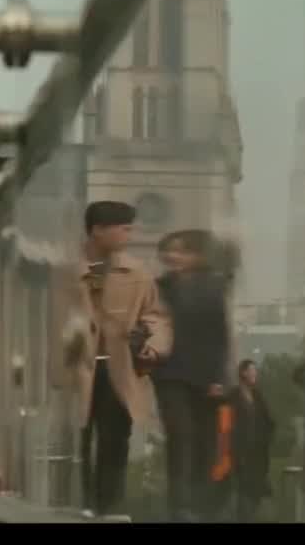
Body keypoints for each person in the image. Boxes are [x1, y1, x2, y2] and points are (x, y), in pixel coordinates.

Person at [54, 201, 172, 522]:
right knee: (79, 437)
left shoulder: (136, 273)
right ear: (98, 230)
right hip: (78, 368)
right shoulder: (67, 270)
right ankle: (83, 502)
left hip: (119, 368)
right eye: (123, 229)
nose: (128, 235)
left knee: (115, 439)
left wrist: (153, 347)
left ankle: (108, 506)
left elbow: (157, 317)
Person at [152, 229, 234, 522]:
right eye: (169, 250)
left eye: (181, 250)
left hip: (205, 377)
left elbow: (220, 336)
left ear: (197, 256)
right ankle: (180, 506)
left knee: (204, 441)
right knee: (179, 436)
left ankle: (201, 504)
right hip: (170, 374)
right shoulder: (158, 288)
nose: (173, 256)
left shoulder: (213, 287)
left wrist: (218, 379)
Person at [232, 359, 275, 521]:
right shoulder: (233, 396)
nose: (255, 374)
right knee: (244, 495)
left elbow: (269, 421)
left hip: (258, 455)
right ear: (243, 373)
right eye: (252, 370)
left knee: (256, 493)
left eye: (255, 371)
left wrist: (265, 438)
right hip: (241, 454)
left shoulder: (258, 396)